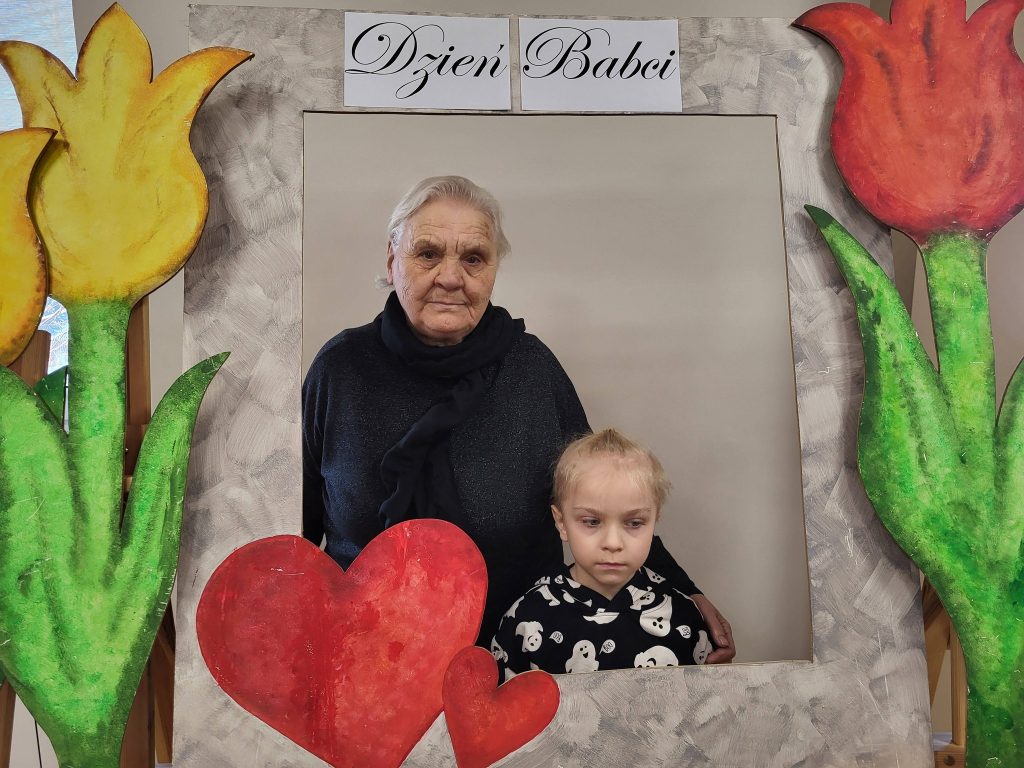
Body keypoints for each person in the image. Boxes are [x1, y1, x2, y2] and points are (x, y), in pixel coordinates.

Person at [302, 175, 734, 656]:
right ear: (392, 259)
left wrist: (683, 590)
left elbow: (604, 496)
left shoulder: (531, 368)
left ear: (493, 269)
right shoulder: (340, 369)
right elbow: (295, 528)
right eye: (428, 253)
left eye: (473, 258)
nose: (450, 277)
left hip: (518, 655)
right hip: (363, 656)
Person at [490, 429, 712, 678]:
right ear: (561, 522)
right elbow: (502, 700)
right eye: (592, 522)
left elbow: (705, 698)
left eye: (634, 523)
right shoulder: (526, 618)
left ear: (654, 520)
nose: (613, 543)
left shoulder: (683, 615)